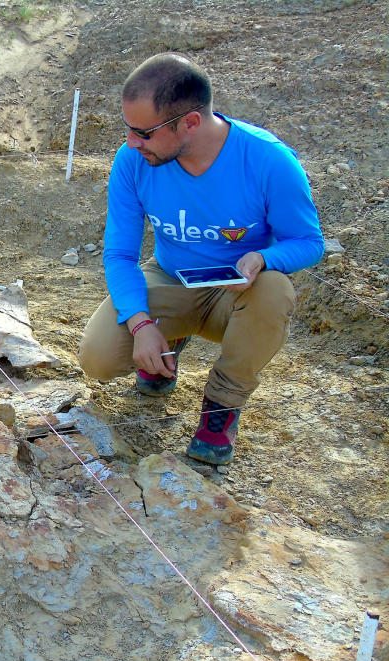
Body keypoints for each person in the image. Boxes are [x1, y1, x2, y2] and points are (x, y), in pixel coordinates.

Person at [78, 53, 324, 465]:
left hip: (236, 292)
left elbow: (307, 241)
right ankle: (166, 337)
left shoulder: (268, 161)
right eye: (128, 130)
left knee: (275, 289)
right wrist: (140, 324)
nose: (131, 144)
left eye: (143, 132)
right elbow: (120, 253)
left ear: (189, 123)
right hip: (171, 278)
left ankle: (221, 407)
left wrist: (262, 259)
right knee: (98, 358)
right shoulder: (133, 162)